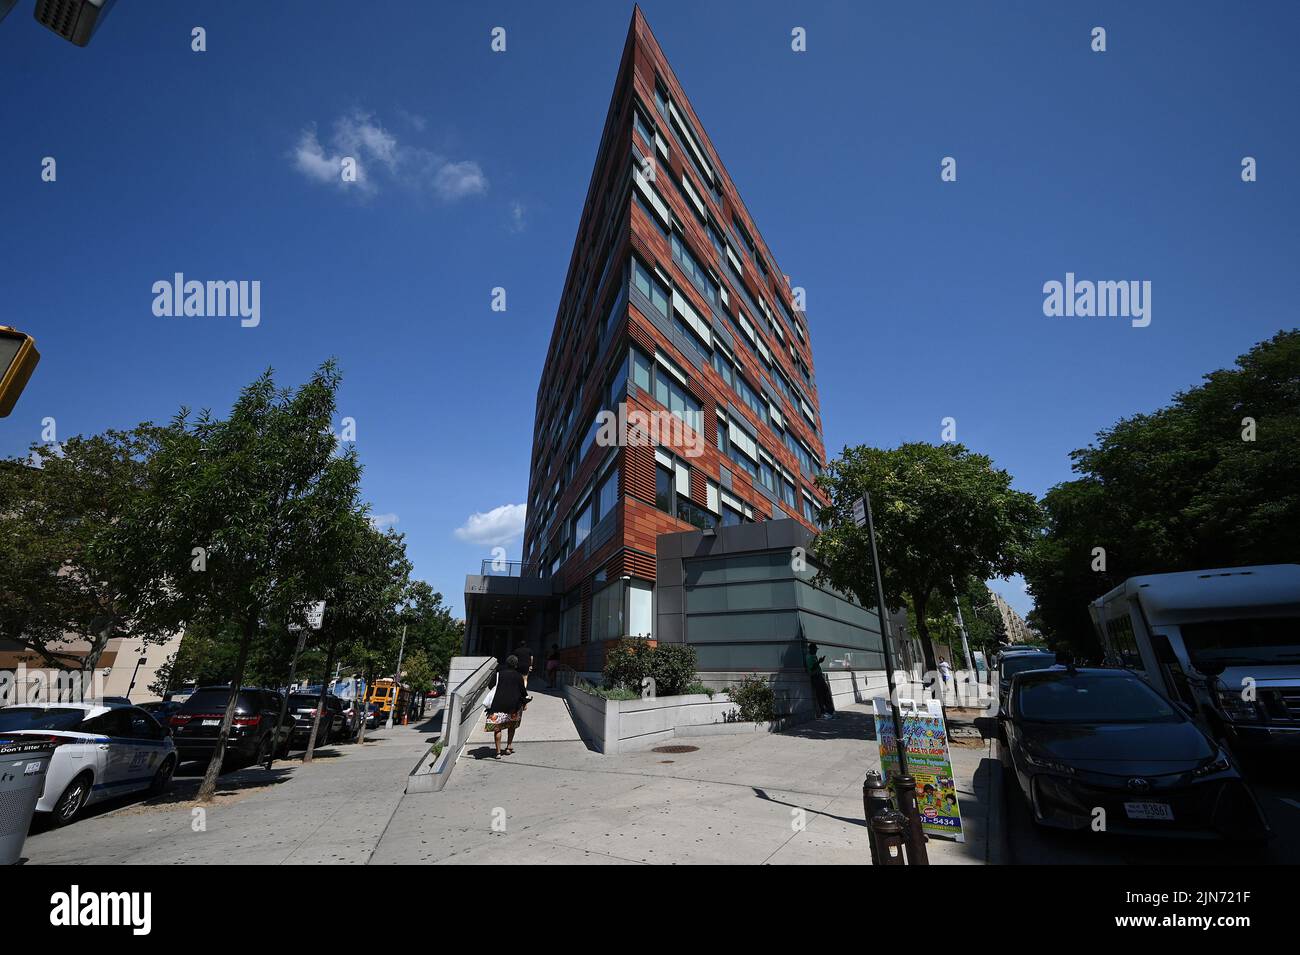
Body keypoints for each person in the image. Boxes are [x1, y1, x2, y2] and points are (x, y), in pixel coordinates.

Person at [486, 656, 526, 758]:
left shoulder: (498, 674)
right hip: (513, 705)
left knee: (497, 728)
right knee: (511, 726)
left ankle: (498, 752)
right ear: (516, 665)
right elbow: (523, 691)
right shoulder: (518, 676)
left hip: (498, 704)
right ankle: (508, 747)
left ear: (506, 663)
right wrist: (525, 702)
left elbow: (490, 686)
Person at [805, 642, 836, 719]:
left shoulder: (813, 656)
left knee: (825, 693)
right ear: (811, 649)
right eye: (815, 649)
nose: (816, 651)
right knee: (822, 694)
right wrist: (819, 662)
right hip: (816, 677)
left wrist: (819, 661)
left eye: (816, 649)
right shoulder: (809, 657)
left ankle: (828, 711)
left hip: (818, 676)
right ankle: (825, 712)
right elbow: (811, 668)